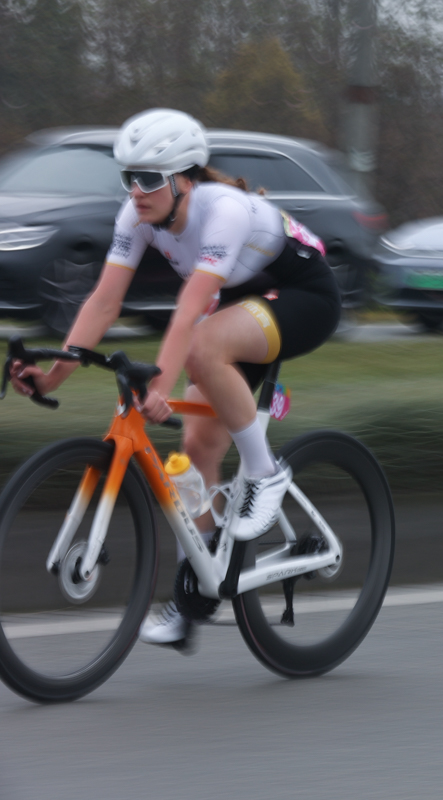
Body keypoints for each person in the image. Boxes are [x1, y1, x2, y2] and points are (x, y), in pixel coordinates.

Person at [7, 109, 342, 649]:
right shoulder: (136, 216)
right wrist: (53, 377)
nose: (136, 191)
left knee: (204, 345)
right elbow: (104, 301)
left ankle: (265, 473)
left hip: (304, 294)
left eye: (148, 179)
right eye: (127, 178)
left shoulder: (224, 211)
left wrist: (158, 384)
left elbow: (188, 312)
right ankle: (195, 598)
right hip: (242, 302)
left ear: (185, 179)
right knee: (194, 450)